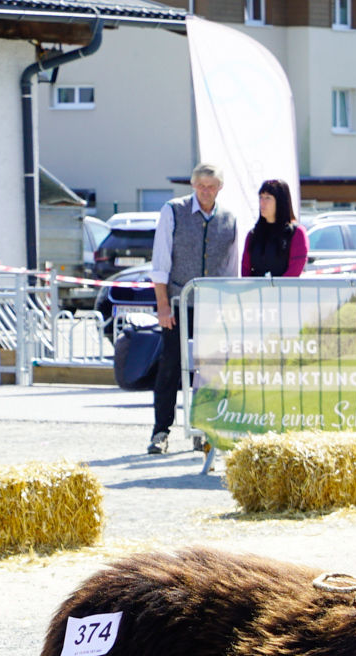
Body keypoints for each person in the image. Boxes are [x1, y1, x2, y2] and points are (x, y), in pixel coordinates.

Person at [146, 162, 240, 455]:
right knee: (171, 366)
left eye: (211, 186)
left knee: (208, 370)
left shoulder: (229, 218)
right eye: (201, 186)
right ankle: (161, 431)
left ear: (220, 188)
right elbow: (160, 262)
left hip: (212, 307)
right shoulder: (172, 211)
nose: (206, 191)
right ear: (192, 186)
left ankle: (202, 428)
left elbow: (230, 268)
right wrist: (162, 305)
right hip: (177, 302)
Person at [240, 179, 308, 279]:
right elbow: (245, 268)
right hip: (256, 292)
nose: (262, 202)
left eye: (268, 198)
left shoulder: (297, 233)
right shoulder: (253, 234)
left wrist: (274, 289)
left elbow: (295, 269)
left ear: (280, 202)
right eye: (261, 197)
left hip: (284, 292)